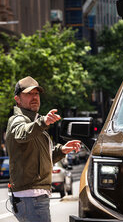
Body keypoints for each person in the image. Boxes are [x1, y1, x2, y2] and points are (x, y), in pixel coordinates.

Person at [6, 76, 81, 222]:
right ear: (17, 99)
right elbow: (22, 133)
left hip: (35, 196)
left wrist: (62, 150)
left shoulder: (34, 122)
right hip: (31, 197)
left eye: (36, 93)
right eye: (28, 94)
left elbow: (40, 160)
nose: (34, 97)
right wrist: (43, 121)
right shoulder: (18, 120)